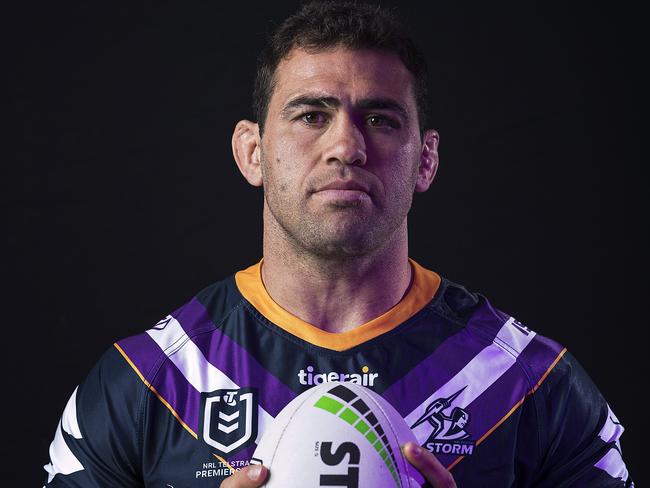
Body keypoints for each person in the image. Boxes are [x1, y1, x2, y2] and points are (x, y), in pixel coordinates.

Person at [42, 2, 633, 487]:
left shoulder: (525, 384)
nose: (346, 147)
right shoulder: (150, 381)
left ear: (426, 158)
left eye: (380, 119)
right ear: (252, 152)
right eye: (310, 115)